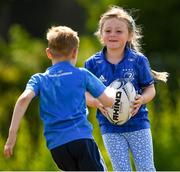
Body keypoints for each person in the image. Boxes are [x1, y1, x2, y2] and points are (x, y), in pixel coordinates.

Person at [3, 26, 115, 171]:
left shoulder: (39, 79)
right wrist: (112, 91)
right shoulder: (82, 74)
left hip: (57, 147)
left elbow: (23, 99)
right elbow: (108, 101)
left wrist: (11, 137)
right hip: (81, 140)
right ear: (75, 52)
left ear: (49, 53)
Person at [85, 6, 168, 171]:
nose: (113, 34)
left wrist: (142, 99)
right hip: (110, 128)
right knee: (121, 169)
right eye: (108, 30)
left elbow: (150, 89)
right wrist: (95, 102)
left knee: (146, 168)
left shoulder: (138, 60)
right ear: (101, 35)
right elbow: (84, 93)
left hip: (139, 125)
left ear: (130, 35)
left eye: (119, 31)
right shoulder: (92, 64)